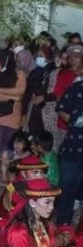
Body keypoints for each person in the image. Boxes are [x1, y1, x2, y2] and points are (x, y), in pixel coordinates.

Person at [0, 49, 26, 181]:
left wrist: (1, 91)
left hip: (13, 118)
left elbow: (20, 93)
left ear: (5, 62)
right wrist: (11, 96)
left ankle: (1, 172)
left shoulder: (20, 75)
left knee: (6, 145)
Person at [56, 75, 83, 226]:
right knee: (66, 189)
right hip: (73, 147)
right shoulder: (77, 88)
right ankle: (63, 228)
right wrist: (75, 123)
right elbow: (62, 110)